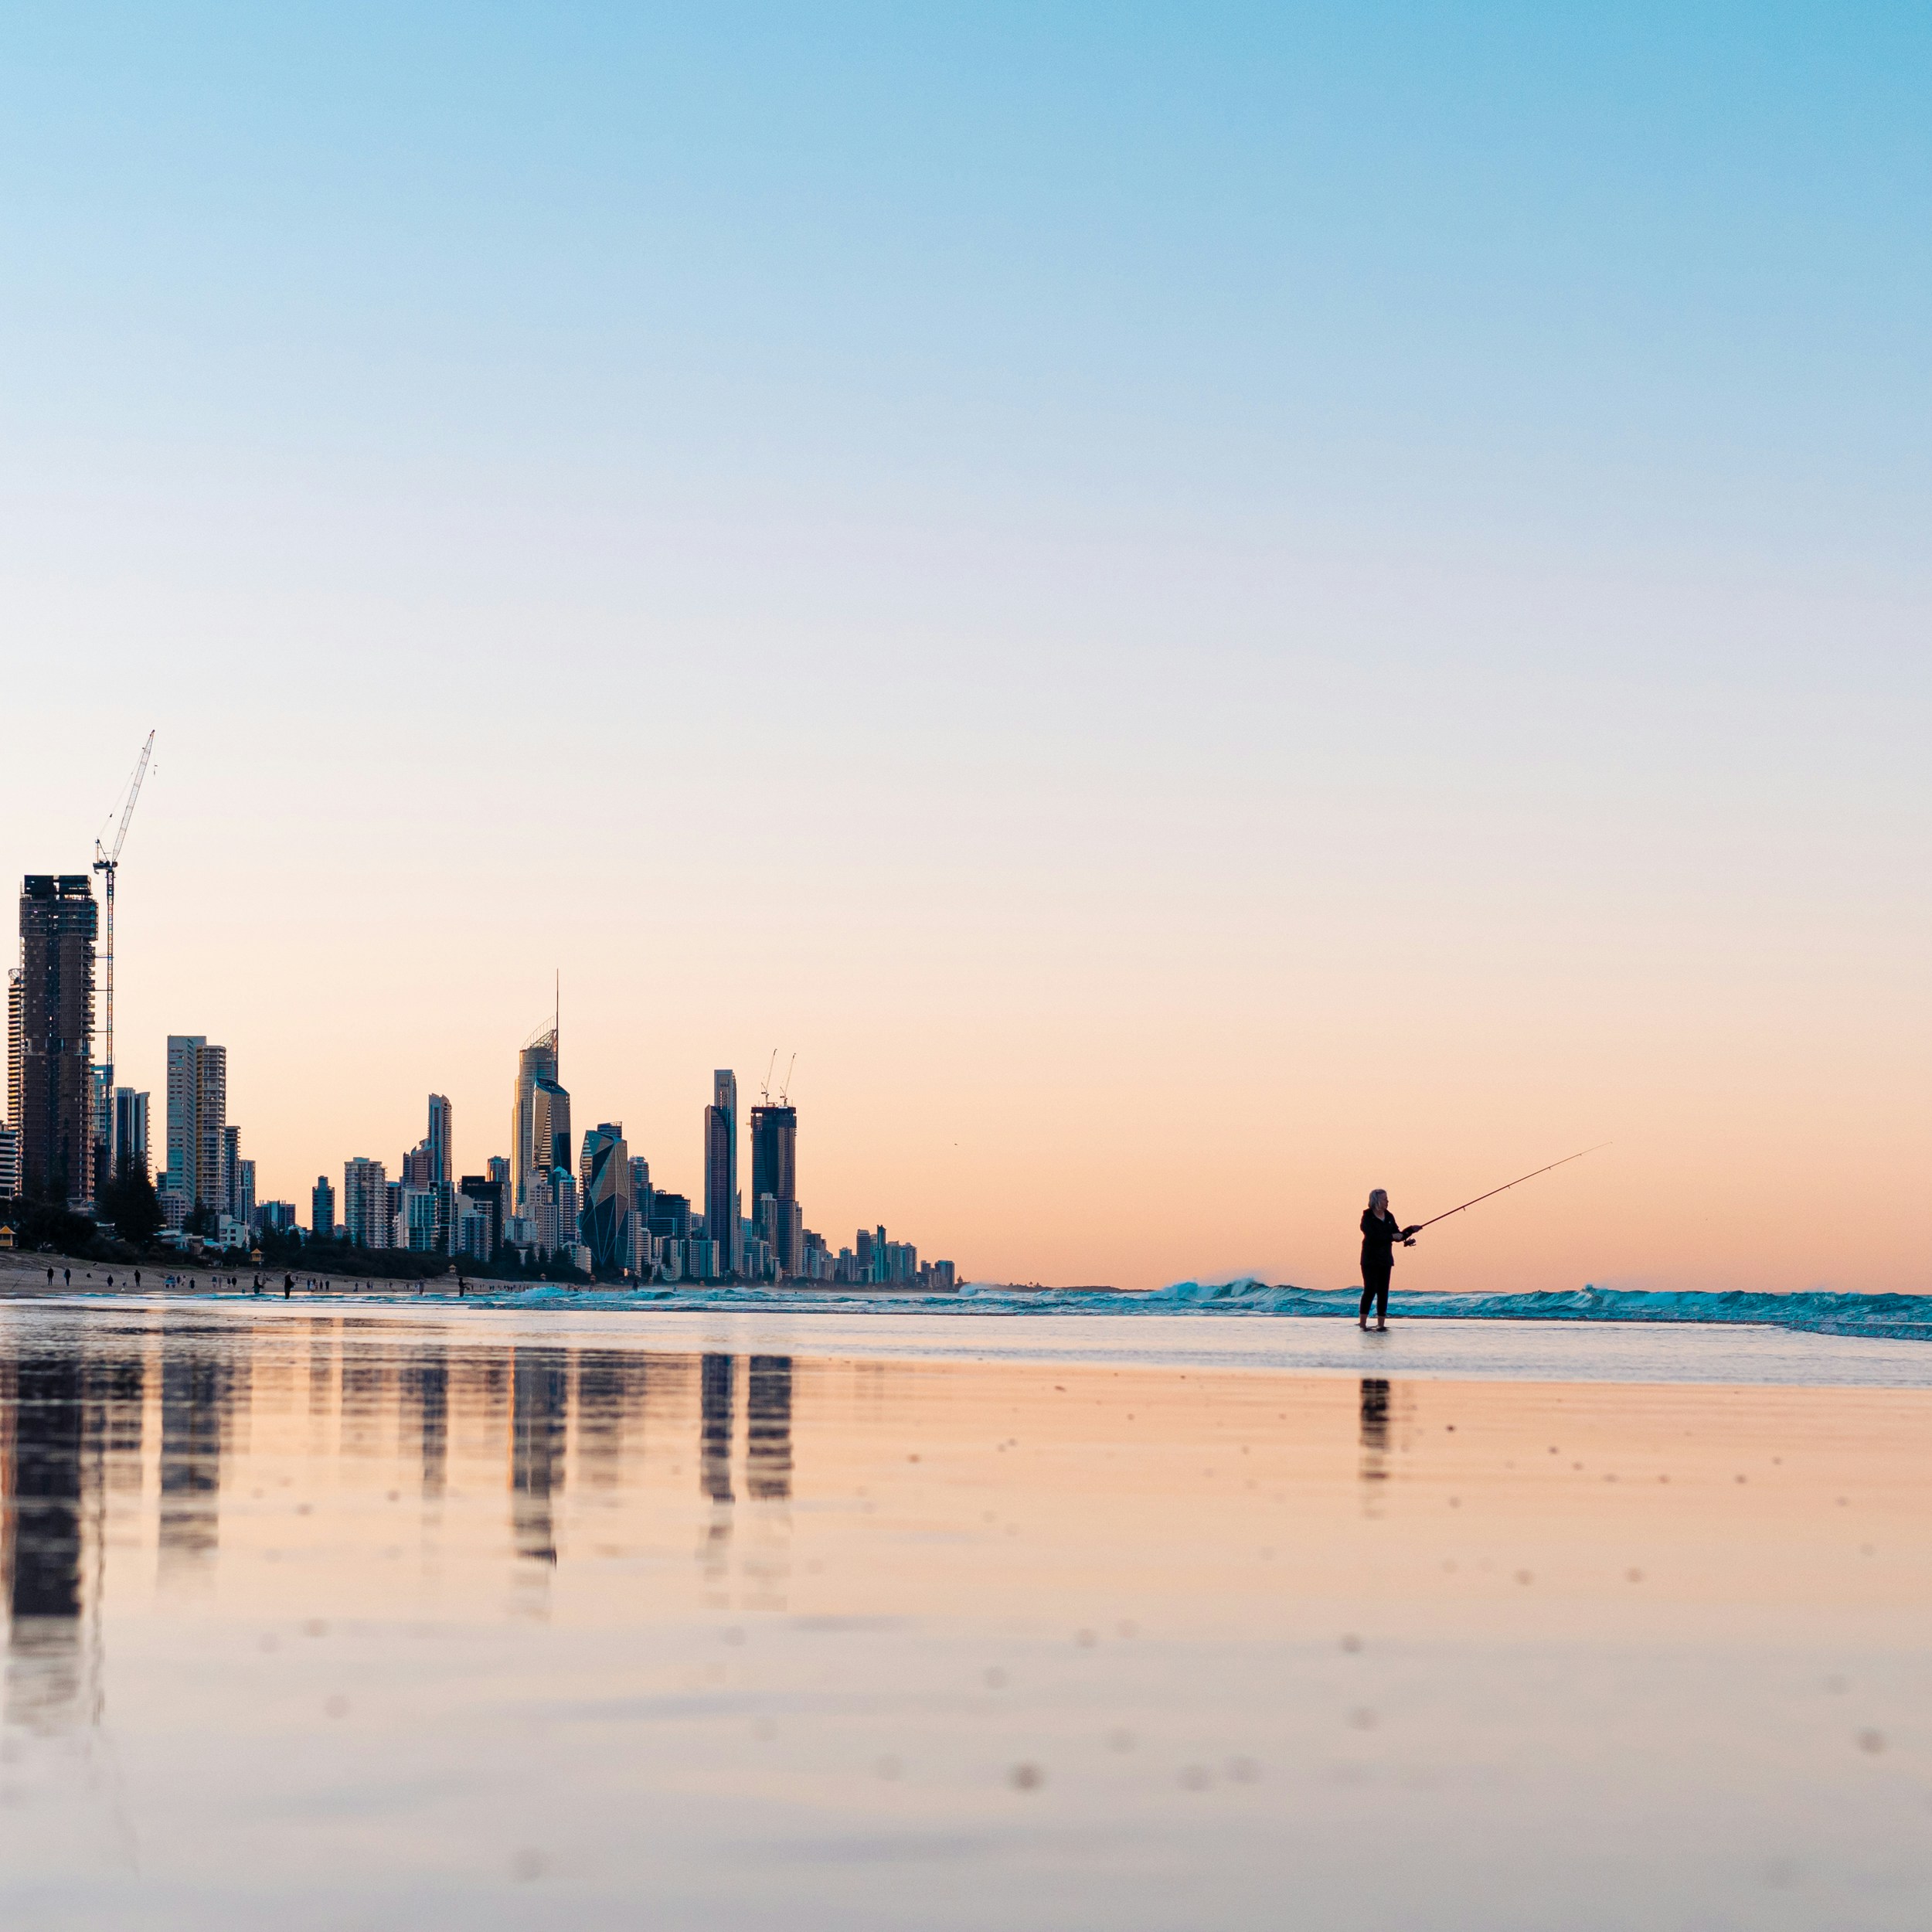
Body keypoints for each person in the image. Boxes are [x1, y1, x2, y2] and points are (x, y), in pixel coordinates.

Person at [1359, 1189, 1419, 1332]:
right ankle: (1362, 1323)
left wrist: (1410, 1230)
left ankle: (1381, 1324)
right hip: (1370, 1259)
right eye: (1385, 1199)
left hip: (1385, 1259)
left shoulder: (1389, 1216)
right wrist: (1392, 1237)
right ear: (1377, 1201)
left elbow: (1398, 1235)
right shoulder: (1367, 1217)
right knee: (1370, 1289)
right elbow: (1373, 1236)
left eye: (1387, 1199)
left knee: (1383, 1291)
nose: (1387, 1201)